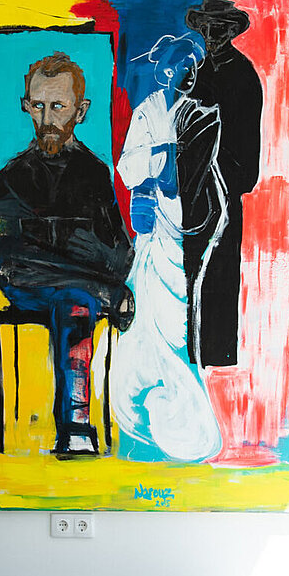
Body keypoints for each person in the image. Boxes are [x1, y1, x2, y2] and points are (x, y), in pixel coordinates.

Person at [0, 51, 133, 457]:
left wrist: (97, 252)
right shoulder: (13, 175)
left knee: (75, 301)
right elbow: (1, 258)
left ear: (80, 111)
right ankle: (76, 427)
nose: (47, 118)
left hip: (75, 294)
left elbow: (121, 254)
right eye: (39, 106)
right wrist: (92, 270)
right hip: (28, 284)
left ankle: (75, 426)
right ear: (26, 106)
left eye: (58, 106)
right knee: (29, 270)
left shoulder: (95, 174)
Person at [109, 32, 224, 462]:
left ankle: (182, 417)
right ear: (169, 71)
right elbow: (128, 166)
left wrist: (168, 162)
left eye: (195, 69)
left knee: (177, 320)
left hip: (182, 225)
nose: (191, 76)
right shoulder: (148, 111)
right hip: (152, 227)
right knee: (148, 310)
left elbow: (192, 173)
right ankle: (141, 408)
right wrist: (161, 154)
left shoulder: (197, 114)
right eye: (185, 68)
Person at [183, 0, 263, 366]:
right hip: (189, 193)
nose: (211, 36)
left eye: (218, 29)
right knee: (187, 276)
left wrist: (217, 168)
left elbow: (247, 159)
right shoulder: (194, 73)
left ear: (231, 31)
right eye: (206, 29)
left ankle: (215, 357)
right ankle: (188, 355)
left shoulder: (244, 75)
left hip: (224, 195)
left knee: (219, 275)